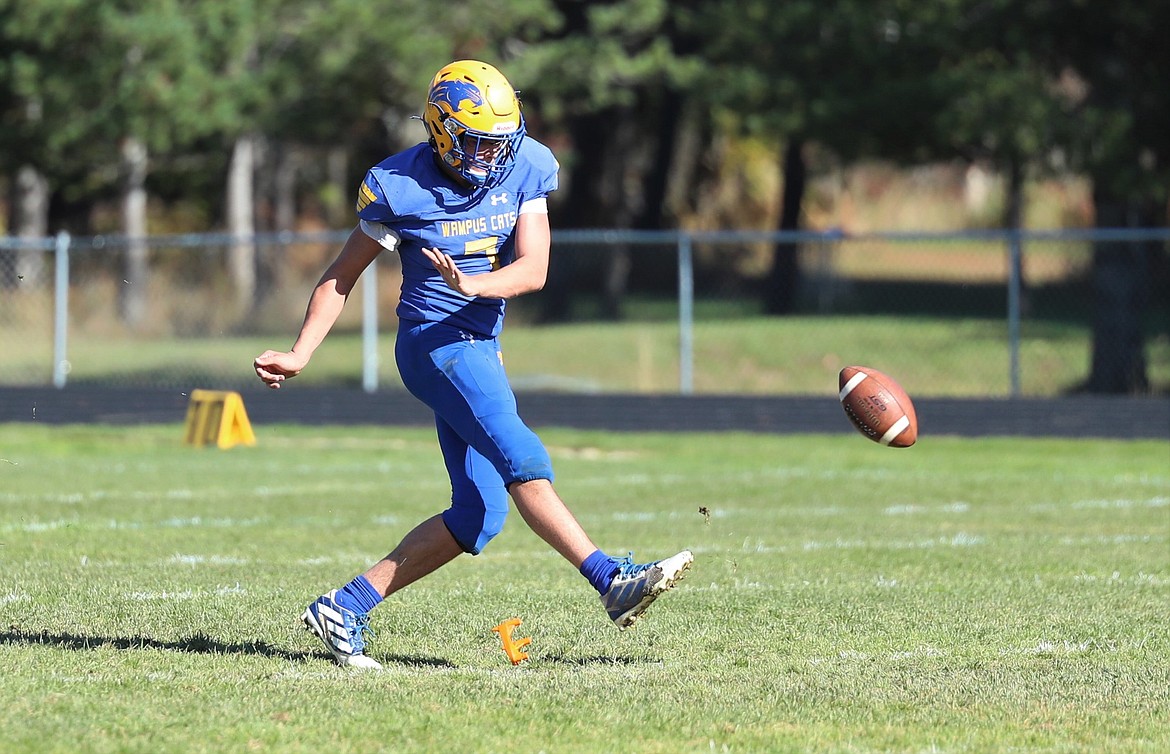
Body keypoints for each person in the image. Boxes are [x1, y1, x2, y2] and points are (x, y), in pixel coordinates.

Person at [253, 60, 693, 669]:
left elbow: (534, 267)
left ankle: (345, 607)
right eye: (477, 142)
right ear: (440, 131)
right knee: (523, 455)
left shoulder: (526, 164)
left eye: (498, 142)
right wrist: (300, 353)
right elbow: (340, 277)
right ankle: (609, 578)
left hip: (480, 345)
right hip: (434, 345)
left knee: (478, 514)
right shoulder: (400, 186)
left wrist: (478, 284)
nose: (490, 156)